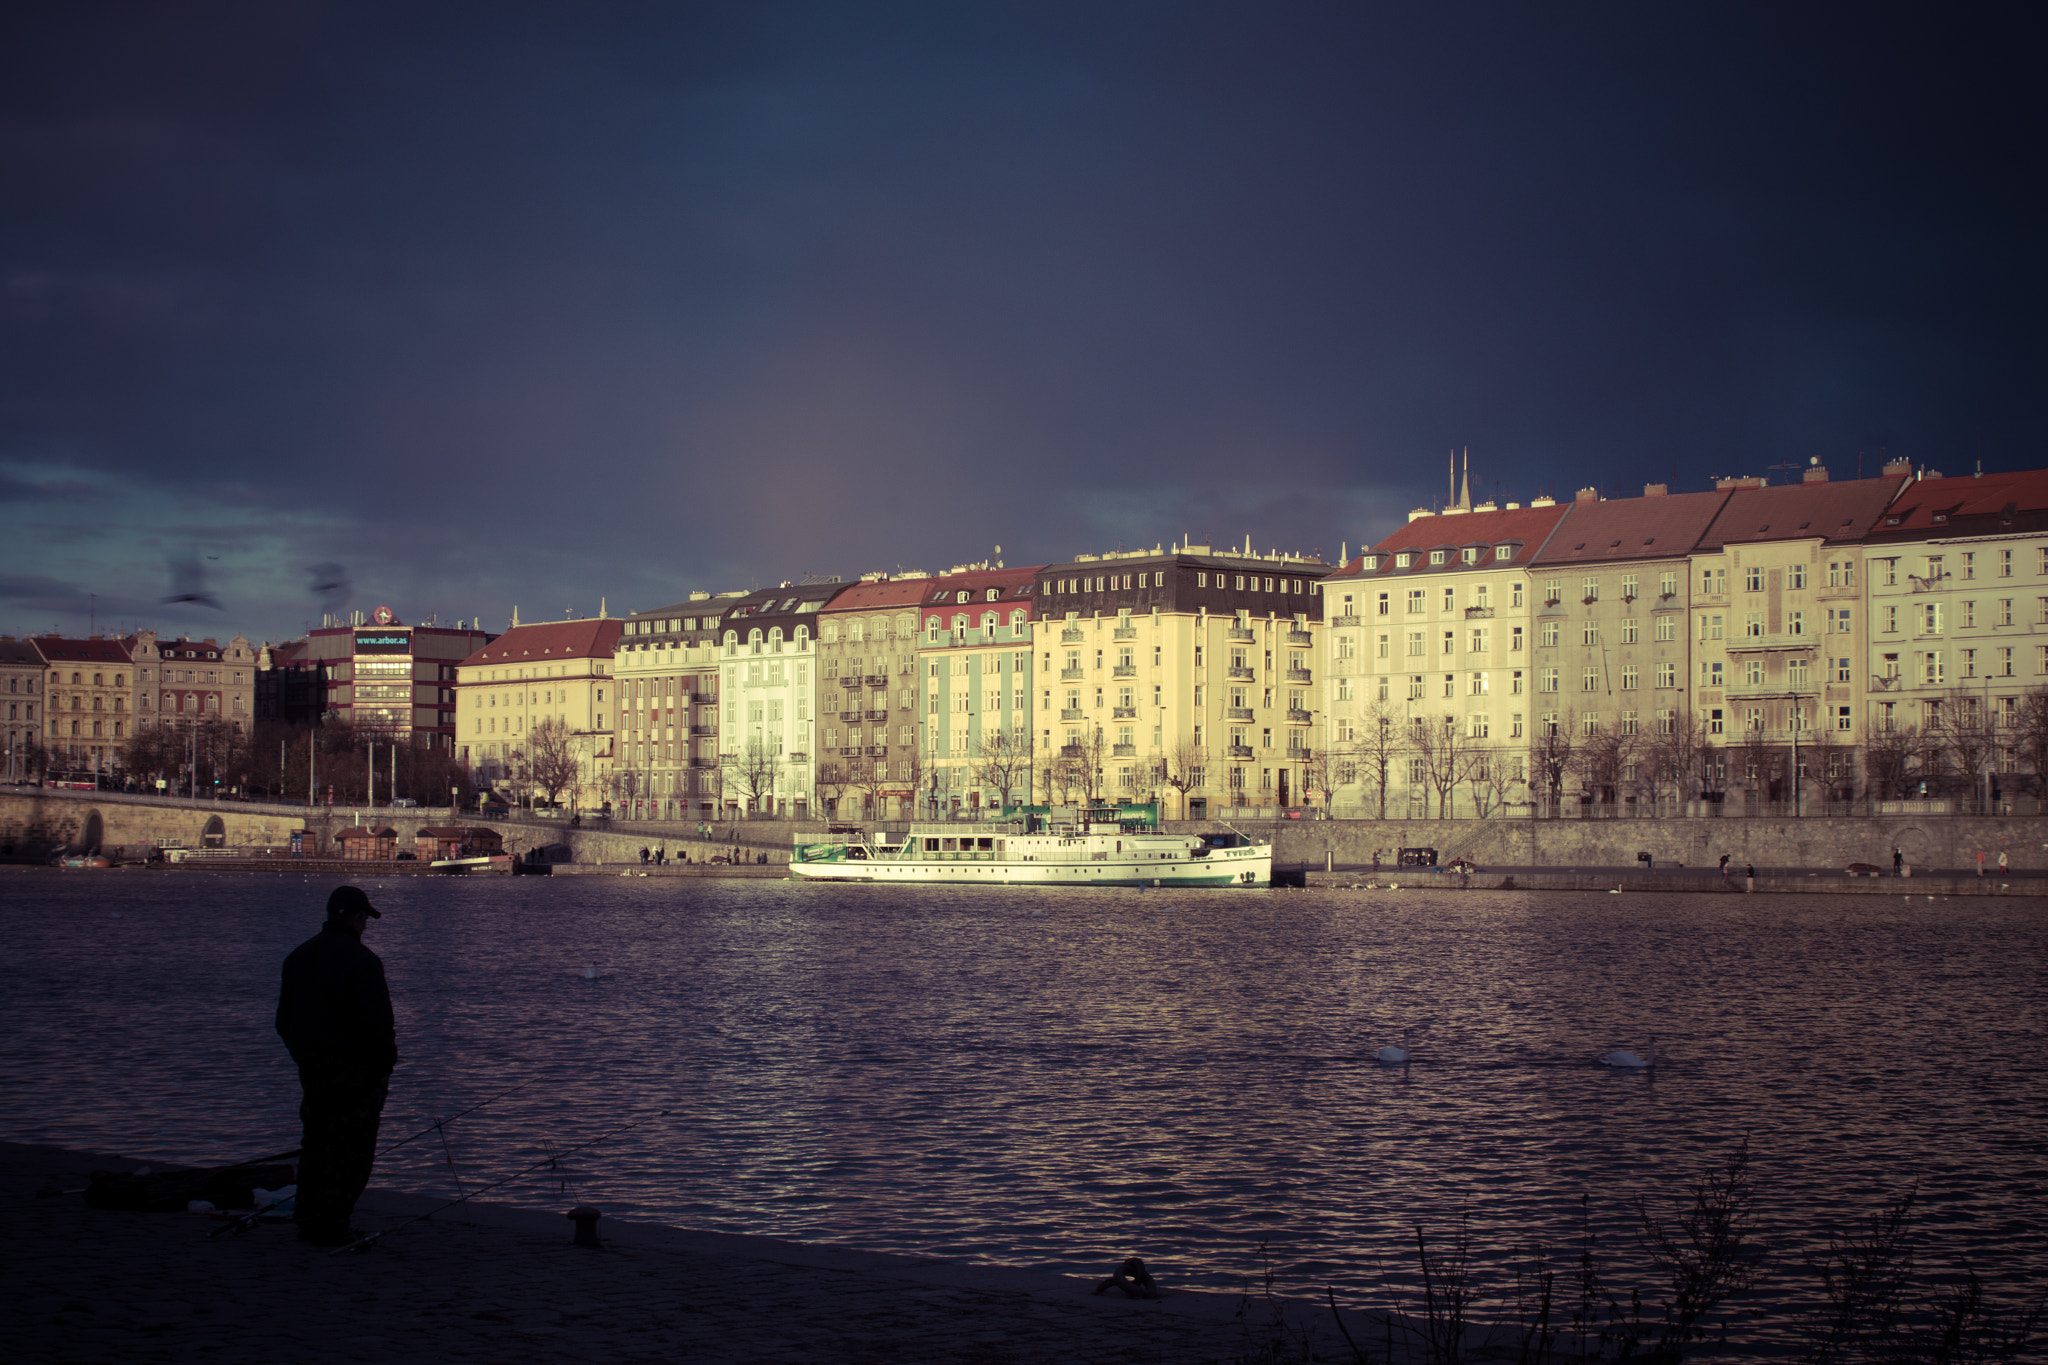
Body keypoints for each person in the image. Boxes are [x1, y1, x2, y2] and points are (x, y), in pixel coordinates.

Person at [275, 886, 397, 1246]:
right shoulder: (363, 961)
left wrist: (304, 1056)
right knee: (352, 1149)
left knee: (316, 1143)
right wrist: (382, 1066)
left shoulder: (298, 957)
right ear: (356, 918)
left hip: (314, 1069)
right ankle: (334, 1222)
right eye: (364, 918)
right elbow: (379, 1023)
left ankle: (309, 1216)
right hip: (358, 1073)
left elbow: (284, 1020)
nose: (365, 926)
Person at [1092, 1256, 1159, 1299]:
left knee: (1116, 1280)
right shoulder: (1119, 1275)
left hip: (1130, 1284)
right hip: (1138, 1288)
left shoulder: (1118, 1276)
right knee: (1117, 1280)